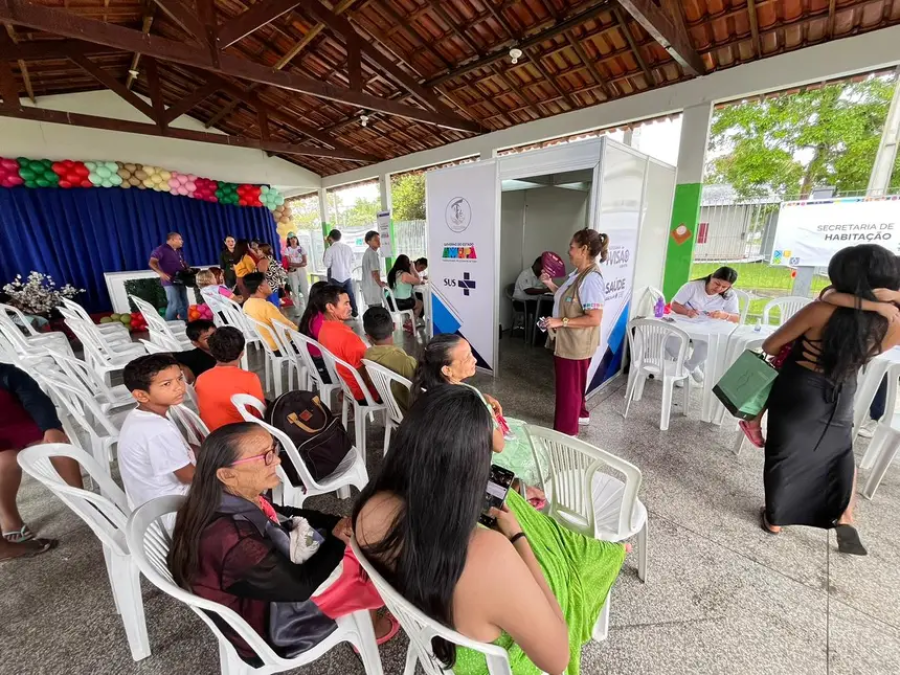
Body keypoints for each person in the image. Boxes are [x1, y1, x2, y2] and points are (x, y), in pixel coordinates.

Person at [354, 385, 627, 675]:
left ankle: (606, 550)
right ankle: (611, 550)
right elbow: (557, 660)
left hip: (436, 632)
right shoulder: (489, 553)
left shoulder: (369, 512)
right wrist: (518, 538)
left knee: (524, 512)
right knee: (547, 543)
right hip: (486, 662)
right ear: (469, 470)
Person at [167, 423, 398, 663]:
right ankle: (371, 627)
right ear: (227, 473)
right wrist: (338, 540)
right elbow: (300, 587)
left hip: (265, 585)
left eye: (273, 450)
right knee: (365, 560)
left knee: (358, 542)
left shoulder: (220, 495)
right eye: (264, 457)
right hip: (273, 626)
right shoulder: (233, 541)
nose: (276, 461)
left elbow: (282, 511)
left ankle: (369, 611)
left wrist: (335, 523)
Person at [759, 244, 900, 555]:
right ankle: (845, 515)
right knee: (839, 452)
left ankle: (775, 520)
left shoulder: (819, 311)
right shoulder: (893, 320)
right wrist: (884, 302)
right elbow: (874, 352)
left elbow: (770, 345)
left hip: (800, 388)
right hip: (843, 388)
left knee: (784, 452)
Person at [412, 334, 544, 487]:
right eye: (467, 357)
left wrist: (484, 397)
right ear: (447, 370)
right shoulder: (470, 402)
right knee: (533, 445)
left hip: (452, 459)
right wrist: (488, 413)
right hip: (476, 465)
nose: (474, 360)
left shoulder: (429, 390)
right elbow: (499, 446)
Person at [0, 363, 83, 558]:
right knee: (6, 462)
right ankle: (10, 519)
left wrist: (50, 426)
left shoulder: (7, 372)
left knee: (58, 447)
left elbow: (34, 399)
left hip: (23, 424)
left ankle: (82, 499)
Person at [539, 230, 609, 436]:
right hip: (570, 342)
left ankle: (565, 434)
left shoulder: (591, 279)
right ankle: (581, 415)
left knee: (568, 391)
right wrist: (550, 285)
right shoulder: (579, 274)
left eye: (572, 246)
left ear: (584, 249)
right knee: (575, 386)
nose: (568, 251)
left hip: (575, 345)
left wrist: (561, 321)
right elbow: (569, 299)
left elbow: (594, 318)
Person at [118, 355, 196, 527]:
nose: (179, 387)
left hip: (151, 505)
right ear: (141, 395)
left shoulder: (142, 416)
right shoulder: (157, 429)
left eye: (179, 378)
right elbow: (189, 477)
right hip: (171, 511)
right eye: (166, 384)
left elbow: (185, 448)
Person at [668, 267, 740, 386]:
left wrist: (724, 315)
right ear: (711, 276)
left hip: (708, 325)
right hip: (686, 320)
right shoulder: (693, 286)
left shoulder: (730, 295)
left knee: (707, 344)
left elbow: (736, 317)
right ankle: (690, 367)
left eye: (724, 287)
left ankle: (688, 368)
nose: (719, 289)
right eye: (717, 283)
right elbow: (674, 305)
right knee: (671, 340)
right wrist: (687, 312)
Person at [195, 327, 265, 432]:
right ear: (242, 352)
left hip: (211, 436)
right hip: (241, 437)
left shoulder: (201, 379)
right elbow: (259, 415)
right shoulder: (250, 379)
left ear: (211, 352)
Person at [317, 284, 374, 403]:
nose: (350, 307)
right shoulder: (349, 338)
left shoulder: (323, 329)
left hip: (346, 386)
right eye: (346, 303)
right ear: (330, 307)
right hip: (362, 393)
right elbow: (365, 374)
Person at [363, 307, 416, 412]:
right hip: (413, 414)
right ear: (394, 326)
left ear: (368, 336)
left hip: (392, 408)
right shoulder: (406, 362)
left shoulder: (368, 356)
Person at [242, 272, 296, 353]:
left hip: (268, 344)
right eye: (267, 282)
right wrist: (301, 331)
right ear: (260, 288)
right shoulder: (266, 306)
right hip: (282, 346)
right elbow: (286, 326)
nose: (270, 285)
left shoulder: (247, 304)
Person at [150, 231, 190, 321]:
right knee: (174, 304)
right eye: (179, 239)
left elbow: (180, 262)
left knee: (184, 304)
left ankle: (186, 324)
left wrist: (187, 267)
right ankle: (169, 325)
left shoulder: (178, 251)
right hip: (169, 282)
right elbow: (152, 263)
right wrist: (161, 273)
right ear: (172, 240)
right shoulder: (161, 249)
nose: (182, 241)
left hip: (180, 279)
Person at [297, 281, 333, 384]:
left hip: (314, 361)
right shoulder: (321, 320)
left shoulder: (312, 313)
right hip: (323, 366)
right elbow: (331, 346)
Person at [322, 229, 358, 317]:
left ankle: (339, 314)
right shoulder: (347, 247)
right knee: (350, 294)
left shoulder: (330, 249)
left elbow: (327, 264)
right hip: (347, 276)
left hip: (335, 277)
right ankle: (354, 312)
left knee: (336, 297)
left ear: (330, 238)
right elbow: (353, 260)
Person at [174, 319, 217, 384]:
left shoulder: (229, 346)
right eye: (207, 338)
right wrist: (184, 367)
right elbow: (167, 357)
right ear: (196, 343)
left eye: (215, 334)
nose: (214, 339)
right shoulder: (194, 356)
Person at [387, 254, 424, 324]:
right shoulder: (404, 274)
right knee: (420, 303)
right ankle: (410, 323)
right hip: (400, 303)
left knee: (412, 299)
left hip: (390, 302)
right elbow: (418, 281)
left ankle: (409, 321)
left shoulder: (391, 272)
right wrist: (413, 269)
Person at [360, 231, 386, 310]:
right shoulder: (372, 254)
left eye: (379, 239)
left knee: (373, 311)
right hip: (372, 288)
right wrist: (380, 283)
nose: (378, 241)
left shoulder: (369, 252)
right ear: (368, 242)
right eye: (375, 240)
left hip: (369, 287)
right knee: (377, 311)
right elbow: (374, 272)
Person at [256, 243, 287, 308]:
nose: (257, 251)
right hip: (274, 287)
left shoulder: (263, 261)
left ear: (263, 250)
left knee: (271, 308)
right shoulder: (271, 259)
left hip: (268, 288)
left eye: (258, 250)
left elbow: (262, 276)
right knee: (275, 307)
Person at [283, 234, 310, 307]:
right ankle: (297, 308)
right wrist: (300, 264)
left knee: (304, 288)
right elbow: (289, 263)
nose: (293, 239)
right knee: (294, 290)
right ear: (289, 240)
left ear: (297, 239)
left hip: (301, 270)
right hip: (292, 271)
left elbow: (305, 262)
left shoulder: (301, 248)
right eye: (291, 238)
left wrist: (295, 265)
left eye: (294, 238)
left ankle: (308, 306)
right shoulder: (287, 249)